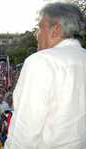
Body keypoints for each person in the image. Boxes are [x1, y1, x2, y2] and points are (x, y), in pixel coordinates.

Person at [5, 2, 86, 149]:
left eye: (40, 28)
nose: (37, 34)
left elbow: (26, 130)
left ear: (56, 30)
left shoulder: (41, 61)